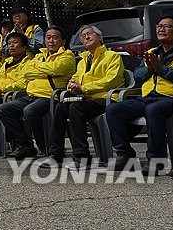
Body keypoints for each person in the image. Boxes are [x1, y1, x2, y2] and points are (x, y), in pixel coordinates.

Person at [105, 15, 173, 173]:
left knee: (153, 110)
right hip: (148, 97)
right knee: (114, 110)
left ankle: (156, 160)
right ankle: (125, 155)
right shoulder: (151, 52)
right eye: (159, 26)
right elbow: (137, 76)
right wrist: (150, 68)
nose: (161, 29)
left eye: (167, 27)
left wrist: (161, 69)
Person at [46, 25, 124, 168]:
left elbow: (112, 80)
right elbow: (76, 78)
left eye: (90, 34)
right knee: (61, 107)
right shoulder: (83, 61)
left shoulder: (112, 56)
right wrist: (72, 85)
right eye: (83, 36)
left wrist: (83, 88)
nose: (86, 37)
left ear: (99, 37)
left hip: (105, 98)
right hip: (86, 98)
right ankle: (55, 154)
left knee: (76, 108)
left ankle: (82, 157)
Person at [0, 26, 75, 160]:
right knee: (4, 109)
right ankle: (26, 145)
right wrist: (46, 71)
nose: (51, 41)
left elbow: (56, 68)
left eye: (55, 37)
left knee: (30, 111)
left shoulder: (67, 55)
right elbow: (25, 72)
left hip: (49, 96)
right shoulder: (39, 56)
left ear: (63, 41)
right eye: (48, 37)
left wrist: (39, 70)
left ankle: (44, 147)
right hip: (31, 95)